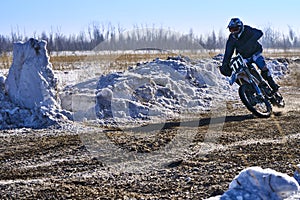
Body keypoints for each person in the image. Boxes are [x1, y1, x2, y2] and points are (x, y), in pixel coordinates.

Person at [219, 18, 279, 92]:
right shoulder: (231, 38)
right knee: (241, 71)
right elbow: (228, 51)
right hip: (244, 56)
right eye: (231, 29)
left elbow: (259, 33)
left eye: (235, 29)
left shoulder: (247, 30)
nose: (233, 32)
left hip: (255, 52)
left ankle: (272, 83)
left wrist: (251, 41)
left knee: (262, 66)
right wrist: (225, 64)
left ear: (240, 27)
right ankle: (250, 89)